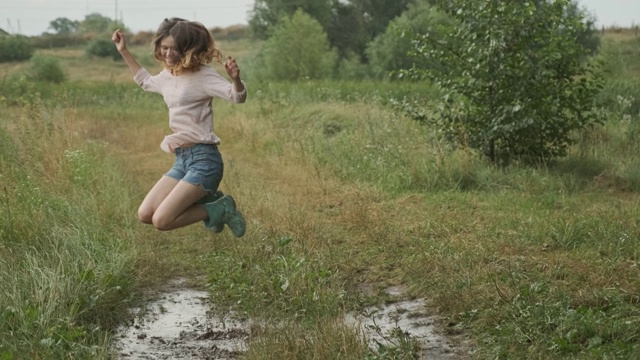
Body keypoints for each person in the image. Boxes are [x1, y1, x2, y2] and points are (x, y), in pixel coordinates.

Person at [111, 18, 246, 237]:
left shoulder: (203, 75)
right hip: (182, 158)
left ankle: (221, 207)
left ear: (188, 50)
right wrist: (124, 50)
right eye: (164, 48)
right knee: (145, 214)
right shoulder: (168, 75)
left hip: (204, 160)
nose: (168, 53)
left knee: (162, 221)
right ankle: (208, 201)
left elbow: (237, 96)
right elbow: (145, 81)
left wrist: (236, 80)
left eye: (175, 49)